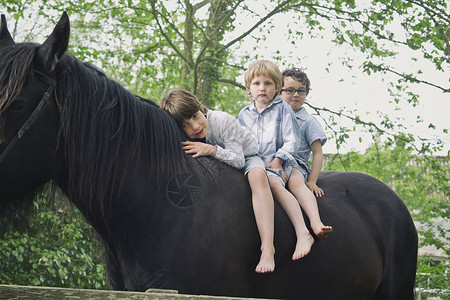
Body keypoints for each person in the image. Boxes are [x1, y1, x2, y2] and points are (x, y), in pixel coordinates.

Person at [160, 89, 276, 273]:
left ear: (200, 108)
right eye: (185, 125)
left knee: (258, 177)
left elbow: (238, 160)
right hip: (220, 162)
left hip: (247, 156)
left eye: (195, 116)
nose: (195, 127)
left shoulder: (222, 120)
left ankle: (268, 248)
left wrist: (211, 150)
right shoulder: (189, 136)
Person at [238, 60, 331, 260]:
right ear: (249, 88)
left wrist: (280, 161)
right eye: (256, 84)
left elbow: (293, 141)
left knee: (284, 184)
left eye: (268, 84)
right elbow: (240, 139)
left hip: (282, 162)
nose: (262, 88)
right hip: (256, 162)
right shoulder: (244, 114)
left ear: (276, 88)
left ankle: (306, 229)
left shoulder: (285, 110)